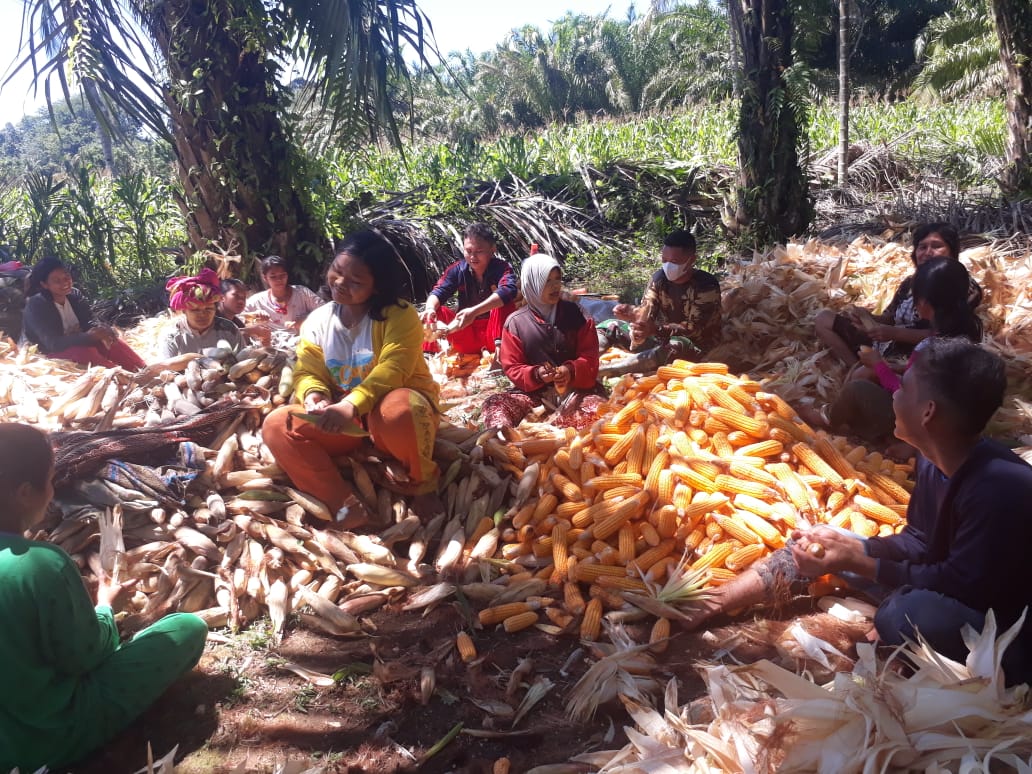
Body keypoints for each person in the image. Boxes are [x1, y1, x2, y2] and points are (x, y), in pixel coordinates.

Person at [678, 338, 1032, 686]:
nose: (893, 394)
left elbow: (961, 587)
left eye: (903, 388)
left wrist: (863, 563)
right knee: (824, 540)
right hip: (950, 586)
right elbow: (919, 542)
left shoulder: (999, 487)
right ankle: (716, 601)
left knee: (904, 615)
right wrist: (847, 551)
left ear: (928, 412)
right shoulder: (932, 458)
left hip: (1003, 630)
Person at [0, 422, 208, 772]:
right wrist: (104, 608)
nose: (52, 491)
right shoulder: (41, 565)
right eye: (50, 481)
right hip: (44, 737)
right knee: (187, 628)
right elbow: (84, 657)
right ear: (24, 492)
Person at [262, 231, 442, 527]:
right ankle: (344, 506)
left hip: (392, 417)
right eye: (338, 271)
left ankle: (422, 484)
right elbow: (307, 369)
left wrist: (351, 404)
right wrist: (314, 395)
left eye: (356, 281)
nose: (341, 283)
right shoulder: (318, 321)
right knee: (279, 425)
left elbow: (393, 370)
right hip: (345, 421)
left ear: (377, 286)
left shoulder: (400, 316)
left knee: (399, 410)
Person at [802, 258, 983, 443]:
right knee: (864, 374)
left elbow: (904, 394)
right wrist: (889, 365)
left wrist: (879, 366)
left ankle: (830, 419)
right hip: (940, 419)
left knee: (857, 388)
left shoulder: (931, 348)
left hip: (917, 424)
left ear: (924, 303)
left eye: (916, 299)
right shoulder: (966, 333)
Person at [814, 222, 982, 366]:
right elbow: (890, 317)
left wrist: (894, 334)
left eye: (936, 246)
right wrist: (868, 319)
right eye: (922, 247)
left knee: (868, 376)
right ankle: (854, 366)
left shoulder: (964, 286)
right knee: (824, 318)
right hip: (887, 342)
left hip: (918, 354)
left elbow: (948, 335)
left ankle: (871, 372)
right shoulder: (910, 283)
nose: (928, 252)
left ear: (952, 252)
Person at [482, 254, 603, 429]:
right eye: (547, 281)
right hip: (534, 396)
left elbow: (590, 358)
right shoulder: (515, 323)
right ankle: (504, 444)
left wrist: (569, 371)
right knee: (495, 404)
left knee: (600, 412)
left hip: (576, 392)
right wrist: (537, 374)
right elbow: (512, 367)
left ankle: (562, 432)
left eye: (558, 279)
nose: (555, 286)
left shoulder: (578, 315)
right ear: (532, 283)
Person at [597, 230, 722, 359]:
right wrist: (634, 315)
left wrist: (655, 329)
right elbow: (647, 309)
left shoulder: (706, 285)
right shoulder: (659, 279)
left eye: (674, 261)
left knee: (675, 346)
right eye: (664, 260)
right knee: (609, 326)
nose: (668, 266)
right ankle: (585, 362)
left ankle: (612, 370)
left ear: (692, 260)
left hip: (695, 347)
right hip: (660, 339)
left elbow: (694, 330)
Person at [21, 257, 146, 371]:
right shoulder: (36, 305)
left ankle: (144, 370)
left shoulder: (75, 295)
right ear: (45, 285)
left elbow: (89, 321)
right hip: (49, 354)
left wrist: (102, 330)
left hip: (78, 342)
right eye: (57, 281)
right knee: (85, 353)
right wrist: (88, 337)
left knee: (110, 342)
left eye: (66, 277)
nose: (65, 283)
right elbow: (53, 344)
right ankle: (124, 376)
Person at [420, 223, 518, 357]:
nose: (473, 257)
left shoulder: (502, 268)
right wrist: (430, 308)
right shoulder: (457, 269)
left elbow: (509, 290)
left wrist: (474, 312)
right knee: (434, 311)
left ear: (492, 249)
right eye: (468, 251)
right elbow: (439, 291)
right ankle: (429, 356)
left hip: (494, 334)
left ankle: (500, 357)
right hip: (465, 333)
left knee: (504, 302)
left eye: (479, 251)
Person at [158, 268, 243, 358]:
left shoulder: (230, 330)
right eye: (195, 310)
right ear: (184, 311)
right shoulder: (172, 336)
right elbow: (166, 369)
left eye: (208, 309)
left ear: (215, 308)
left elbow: (243, 360)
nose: (202, 314)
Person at [243, 255, 324, 331]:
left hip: (302, 341)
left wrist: (307, 320)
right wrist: (254, 317)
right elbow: (238, 319)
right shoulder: (258, 301)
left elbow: (325, 311)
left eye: (282, 275)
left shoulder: (302, 293)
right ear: (265, 278)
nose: (279, 280)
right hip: (271, 344)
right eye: (273, 276)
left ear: (287, 275)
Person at [218, 278, 272, 346]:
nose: (241, 301)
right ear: (221, 297)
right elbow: (218, 337)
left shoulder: (237, 322)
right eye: (236, 295)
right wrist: (251, 331)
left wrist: (264, 340)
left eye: (244, 297)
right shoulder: (211, 317)